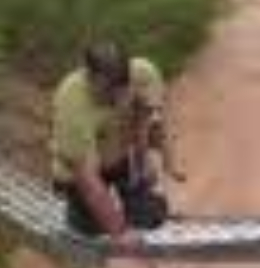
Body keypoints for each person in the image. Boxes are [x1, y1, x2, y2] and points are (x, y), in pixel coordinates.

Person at [50, 42, 172, 240]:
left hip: (120, 159)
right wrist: (120, 233)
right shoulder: (71, 101)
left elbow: (148, 123)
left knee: (151, 217)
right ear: (89, 76)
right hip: (79, 172)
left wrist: (145, 164)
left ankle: (127, 204)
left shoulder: (143, 73)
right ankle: (77, 209)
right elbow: (88, 179)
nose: (114, 97)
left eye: (120, 89)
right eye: (107, 90)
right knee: (91, 231)